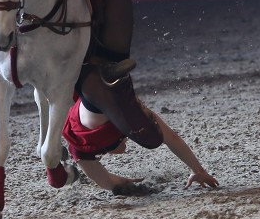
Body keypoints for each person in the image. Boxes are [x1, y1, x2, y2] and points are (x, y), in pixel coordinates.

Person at [62, 80, 219, 194]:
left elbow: (171, 138)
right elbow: (171, 138)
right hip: (97, 93)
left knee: (152, 137)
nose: (127, 145)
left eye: (125, 141)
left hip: (94, 95)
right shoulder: (82, 148)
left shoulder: (81, 149)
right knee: (152, 138)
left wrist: (198, 170)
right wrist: (197, 169)